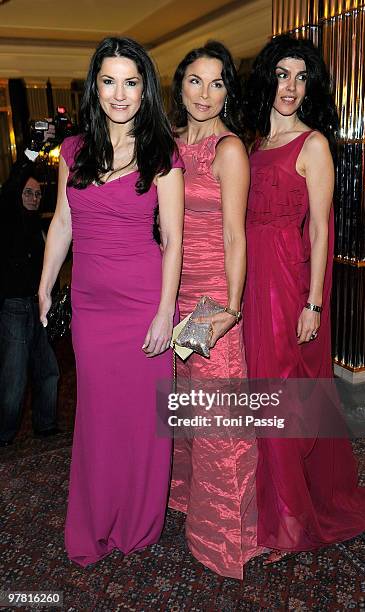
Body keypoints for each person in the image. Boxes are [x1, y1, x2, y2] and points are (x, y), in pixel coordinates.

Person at [38, 37, 184, 566]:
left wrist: (166, 311)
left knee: (144, 419)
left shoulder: (161, 153)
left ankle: (140, 523)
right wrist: (46, 283)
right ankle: (97, 519)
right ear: (94, 85)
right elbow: (62, 223)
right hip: (93, 308)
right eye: (108, 81)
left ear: (145, 88)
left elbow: (173, 240)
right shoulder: (73, 150)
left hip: (144, 300)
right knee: (98, 417)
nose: (119, 93)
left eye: (131, 82)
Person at [243, 35, 365, 556]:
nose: (291, 87)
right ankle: (274, 506)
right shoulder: (253, 144)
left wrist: (314, 303)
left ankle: (292, 523)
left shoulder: (313, 143)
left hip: (287, 285)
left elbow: (321, 229)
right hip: (251, 282)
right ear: (267, 78)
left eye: (301, 77)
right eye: (282, 74)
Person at [168, 41, 265, 579]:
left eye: (217, 83)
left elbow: (235, 234)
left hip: (213, 302)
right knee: (185, 416)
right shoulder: (169, 145)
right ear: (179, 85)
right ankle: (186, 502)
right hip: (172, 297)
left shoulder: (229, 150)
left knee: (220, 423)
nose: (205, 95)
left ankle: (229, 535)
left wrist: (230, 307)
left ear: (228, 89)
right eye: (195, 81)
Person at [0, 163, 59, 447]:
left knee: (48, 369)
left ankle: (45, 425)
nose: (34, 198)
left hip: (39, 307)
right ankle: (4, 434)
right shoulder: (9, 220)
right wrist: (31, 152)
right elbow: (11, 185)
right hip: (15, 307)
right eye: (28, 193)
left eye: (37, 194)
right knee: (14, 376)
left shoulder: (40, 226)